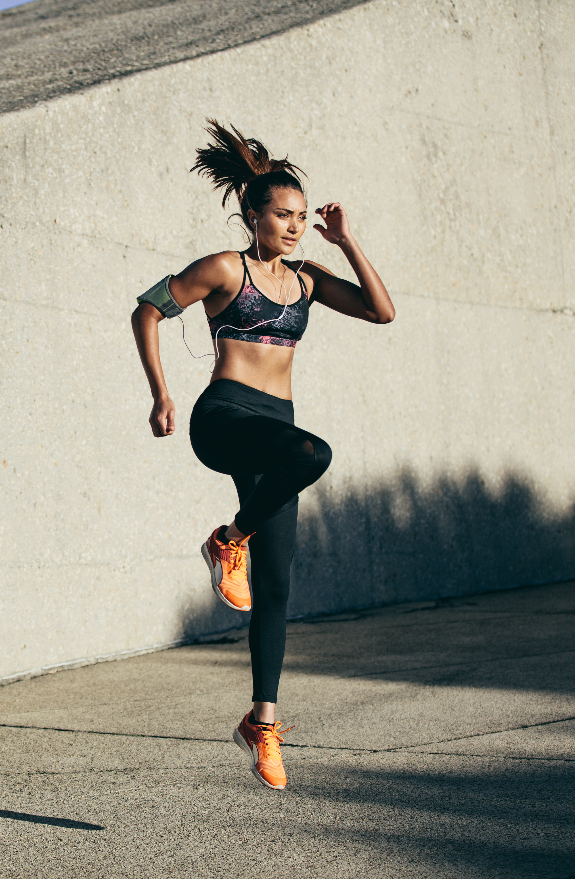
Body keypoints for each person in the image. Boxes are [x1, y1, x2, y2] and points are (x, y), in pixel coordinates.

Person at [130, 120, 395, 790]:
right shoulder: (226, 268)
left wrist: (347, 240)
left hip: (276, 432)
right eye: (284, 215)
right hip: (223, 415)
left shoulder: (308, 280)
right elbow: (147, 310)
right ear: (254, 216)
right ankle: (229, 538)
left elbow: (381, 311)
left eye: (304, 218)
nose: (296, 226)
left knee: (276, 585)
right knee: (317, 452)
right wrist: (161, 393)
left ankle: (262, 721)